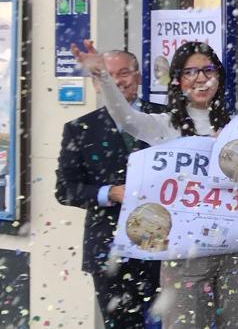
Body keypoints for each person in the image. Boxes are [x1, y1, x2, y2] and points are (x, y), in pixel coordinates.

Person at [72, 40, 238, 329]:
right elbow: (125, 117)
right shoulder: (164, 125)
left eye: (208, 70)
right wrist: (102, 77)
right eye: (191, 72)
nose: (201, 78)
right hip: (184, 253)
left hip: (236, 248)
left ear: (219, 76)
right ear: (177, 80)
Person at [56, 49, 163, 328]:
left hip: (162, 245)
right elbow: (65, 189)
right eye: (108, 75)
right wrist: (109, 192)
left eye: (124, 73)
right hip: (108, 250)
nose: (118, 81)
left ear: (138, 76)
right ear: (96, 83)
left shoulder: (166, 118)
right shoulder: (79, 129)